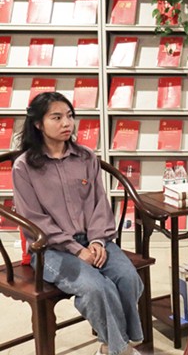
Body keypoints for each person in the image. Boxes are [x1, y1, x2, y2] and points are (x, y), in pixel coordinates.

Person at [12, 92, 143, 355]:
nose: (66, 123)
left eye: (70, 116)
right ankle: (121, 350)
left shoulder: (85, 157)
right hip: (50, 250)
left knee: (128, 277)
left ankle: (111, 346)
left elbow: (99, 204)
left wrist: (97, 241)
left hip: (93, 240)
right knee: (97, 287)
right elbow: (35, 220)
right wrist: (76, 249)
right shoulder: (24, 167)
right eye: (56, 117)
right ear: (38, 123)